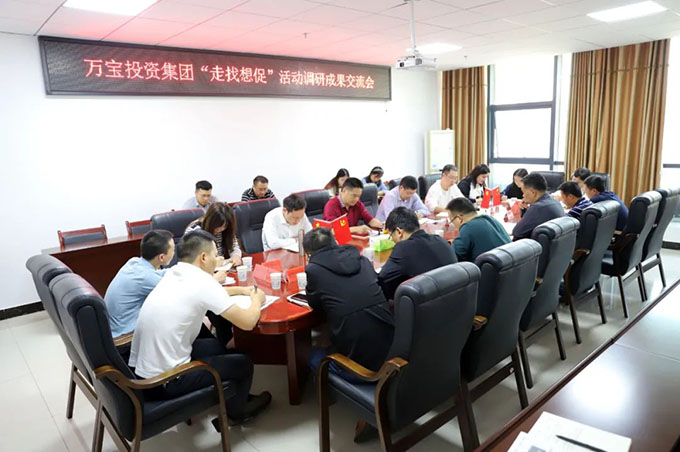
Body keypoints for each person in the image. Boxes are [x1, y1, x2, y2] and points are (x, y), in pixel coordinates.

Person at [129, 230, 271, 426]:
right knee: (243, 363)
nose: (217, 260)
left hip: (144, 372)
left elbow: (210, 292)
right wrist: (256, 299)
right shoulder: (202, 283)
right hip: (165, 381)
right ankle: (236, 414)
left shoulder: (175, 272)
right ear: (203, 257)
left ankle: (232, 396)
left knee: (216, 347)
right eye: (215, 255)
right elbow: (247, 322)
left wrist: (242, 290)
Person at [304, 228, 394, 376]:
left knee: (313, 357)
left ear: (309, 254)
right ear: (335, 242)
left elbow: (315, 305)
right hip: (391, 354)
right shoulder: (362, 260)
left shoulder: (314, 270)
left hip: (361, 369)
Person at [105, 230, 174, 338]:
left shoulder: (134, 262)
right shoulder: (146, 277)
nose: (174, 253)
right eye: (173, 250)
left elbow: (158, 274)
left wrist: (179, 270)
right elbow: (177, 292)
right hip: (124, 334)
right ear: (161, 257)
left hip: (112, 327)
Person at [378, 207, 457, 300]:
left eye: (391, 236)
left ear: (399, 232)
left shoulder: (404, 248)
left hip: (428, 304)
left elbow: (382, 279)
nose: (393, 240)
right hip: (456, 299)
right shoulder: (439, 240)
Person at [447, 198, 510, 262]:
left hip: (488, 267)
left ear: (459, 218)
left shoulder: (468, 227)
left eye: (451, 221)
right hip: (507, 264)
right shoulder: (491, 219)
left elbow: (452, 257)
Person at [186, 202, 242, 267]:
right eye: (217, 227)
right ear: (210, 221)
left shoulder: (225, 229)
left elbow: (233, 246)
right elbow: (192, 261)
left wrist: (236, 256)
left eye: (224, 226)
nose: (220, 230)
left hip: (221, 267)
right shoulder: (194, 232)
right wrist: (213, 263)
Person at [512, 172, 565, 240]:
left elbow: (516, 232)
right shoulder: (555, 202)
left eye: (524, 192)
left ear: (533, 193)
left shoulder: (537, 208)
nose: (523, 195)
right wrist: (524, 209)